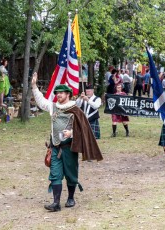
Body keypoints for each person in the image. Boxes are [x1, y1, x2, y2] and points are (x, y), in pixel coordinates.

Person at [31, 72, 103, 212]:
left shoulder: (75, 109)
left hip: (70, 147)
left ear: (68, 94)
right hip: (55, 147)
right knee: (55, 174)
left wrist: (72, 133)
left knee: (71, 174)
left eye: (62, 93)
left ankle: (71, 198)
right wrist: (34, 86)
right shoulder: (53, 106)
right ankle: (56, 203)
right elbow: (41, 101)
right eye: (57, 93)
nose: (58, 95)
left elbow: (84, 129)